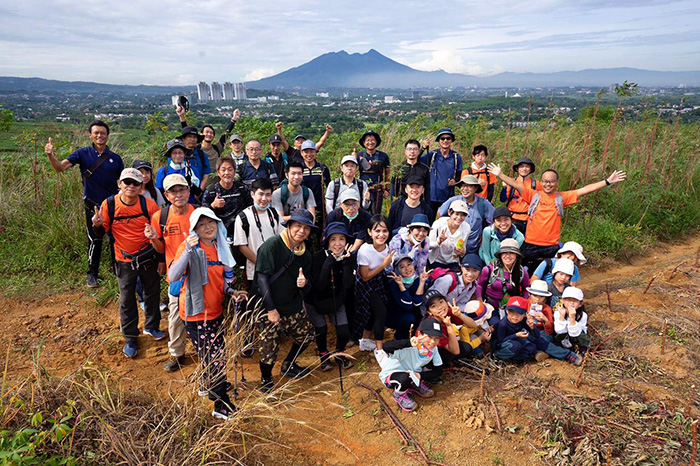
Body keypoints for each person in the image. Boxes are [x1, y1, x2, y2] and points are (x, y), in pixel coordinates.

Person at [168, 207, 244, 420]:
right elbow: (173, 275)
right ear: (195, 229)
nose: (207, 227)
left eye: (210, 222)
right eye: (201, 225)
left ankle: (207, 383)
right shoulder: (190, 246)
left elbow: (222, 282)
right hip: (195, 314)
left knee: (210, 354)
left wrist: (233, 292)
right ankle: (220, 404)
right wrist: (189, 251)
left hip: (215, 311)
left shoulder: (221, 247)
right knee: (216, 357)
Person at [489, 163, 626, 271]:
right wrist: (500, 174)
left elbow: (585, 190)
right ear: (541, 182)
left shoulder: (561, 198)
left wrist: (607, 181)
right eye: (545, 181)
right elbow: (515, 184)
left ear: (557, 183)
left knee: (552, 273)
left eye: (551, 181)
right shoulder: (533, 195)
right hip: (531, 244)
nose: (548, 184)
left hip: (551, 246)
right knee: (523, 271)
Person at [44, 120, 124, 287]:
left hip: (112, 204)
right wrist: (51, 156)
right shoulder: (82, 154)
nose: (99, 135)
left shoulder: (116, 159)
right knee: (95, 239)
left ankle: (117, 270)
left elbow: (121, 184)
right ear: (90, 135)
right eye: (96, 133)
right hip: (91, 203)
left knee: (115, 238)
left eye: (103, 133)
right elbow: (60, 168)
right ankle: (92, 274)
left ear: (107, 136)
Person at [92, 168, 162, 358]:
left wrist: (160, 257)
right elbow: (101, 233)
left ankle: (152, 327)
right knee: (127, 299)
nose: (131, 186)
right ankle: (131, 336)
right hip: (124, 259)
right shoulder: (110, 205)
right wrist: (97, 225)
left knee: (152, 293)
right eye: (127, 182)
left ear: (141, 186)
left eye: (135, 183)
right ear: (119, 184)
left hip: (148, 257)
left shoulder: (148, 205)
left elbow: (158, 235)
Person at [254, 209, 315, 393]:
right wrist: (271, 309)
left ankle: (289, 364)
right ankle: (266, 379)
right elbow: (262, 279)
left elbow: (308, 285)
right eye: (297, 226)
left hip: (292, 304)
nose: (301, 231)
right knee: (268, 349)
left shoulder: (305, 254)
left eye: (306, 228)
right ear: (289, 226)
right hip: (268, 305)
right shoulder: (272, 246)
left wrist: (304, 284)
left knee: (306, 335)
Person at [149, 174, 195, 372]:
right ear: (166, 195)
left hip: (199, 274)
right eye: (173, 191)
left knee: (201, 314)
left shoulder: (197, 212)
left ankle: (204, 349)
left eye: (182, 190)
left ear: (188, 191)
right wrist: (152, 238)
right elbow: (160, 249)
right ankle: (177, 354)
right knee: (176, 317)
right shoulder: (161, 217)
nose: (179, 194)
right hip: (176, 276)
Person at [305, 222, 356, 371]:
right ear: (327, 240)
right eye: (333, 239)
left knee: (343, 331)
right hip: (315, 300)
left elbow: (348, 284)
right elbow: (318, 286)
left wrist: (346, 264)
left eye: (342, 239)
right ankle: (323, 354)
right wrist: (328, 263)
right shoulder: (318, 257)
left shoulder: (349, 258)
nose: (338, 244)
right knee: (321, 329)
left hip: (336, 299)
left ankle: (340, 353)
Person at [375, 318, 443, 412]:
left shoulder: (433, 349)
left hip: (413, 374)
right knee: (404, 378)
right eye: (430, 337)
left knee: (414, 374)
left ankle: (413, 385)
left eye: (436, 338)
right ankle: (399, 395)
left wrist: (420, 376)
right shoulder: (410, 344)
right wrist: (408, 343)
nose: (432, 342)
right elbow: (386, 347)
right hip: (393, 375)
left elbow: (438, 370)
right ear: (420, 334)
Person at [353, 215, 394, 352]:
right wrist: (384, 265)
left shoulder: (387, 247)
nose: (381, 235)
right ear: (370, 232)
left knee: (373, 312)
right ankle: (379, 350)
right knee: (381, 312)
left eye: (385, 231)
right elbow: (365, 277)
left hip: (378, 280)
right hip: (366, 285)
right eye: (377, 231)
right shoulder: (365, 250)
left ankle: (365, 341)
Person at [233, 178, 281, 288]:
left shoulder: (275, 213)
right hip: (254, 271)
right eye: (261, 194)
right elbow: (242, 246)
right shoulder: (243, 217)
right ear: (252, 194)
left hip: (276, 269)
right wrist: (261, 264)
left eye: (268, 195)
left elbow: (283, 238)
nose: (264, 199)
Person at [420, 290, 477, 382]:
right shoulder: (432, 325)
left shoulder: (447, 313)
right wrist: (449, 326)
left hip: (440, 346)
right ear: (429, 312)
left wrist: (459, 315)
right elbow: (455, 351)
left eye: (441, 302)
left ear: (446, 302)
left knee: (467, 348)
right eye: (433, 306)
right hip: (425, 355)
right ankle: (430, 369)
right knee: (450, 353)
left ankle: (443, 364)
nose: (439, 307)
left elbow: (473, 325)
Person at [177, 106, 240, 187]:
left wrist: (234, 119)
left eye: (211, 133)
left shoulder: (217, 148)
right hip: (201, 185)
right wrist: (181, 117)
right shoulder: (197, 149)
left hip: (217, 185)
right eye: (206, 132)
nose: (209, 134)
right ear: (201, 134)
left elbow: (226, 134)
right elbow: (187, 133)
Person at [525, 280, 583, 365]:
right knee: (524, 338)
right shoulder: (524, 304)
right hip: (526, 331)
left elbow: (549, 331)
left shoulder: (546, 308)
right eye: (535, 295)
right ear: (529, 295)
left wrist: (545, 319)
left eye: (541, 296)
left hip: (541, 333)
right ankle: (540, 352)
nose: (537, 299)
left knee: (544, 339)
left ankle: (540, 352)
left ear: (545, 298)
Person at [476, 239, 530, 327]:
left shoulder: (521, 272)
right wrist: (480, 302)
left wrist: (524, 307)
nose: (508, 256)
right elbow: (480, 286)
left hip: (512, 308)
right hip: (491, 307)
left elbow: (525, 290)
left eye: (511, 253)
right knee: (498, 326)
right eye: (505, 253)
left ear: (517, 255)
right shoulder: (490, 270)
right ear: (500, 254)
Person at [438, 174, 495, 254]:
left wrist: (486, 235)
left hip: (473, 249)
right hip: (452, 250)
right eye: (463, 186)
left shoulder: (483, 204)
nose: (465, 189)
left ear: (475, 188)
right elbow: (439, 214)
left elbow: (495, 221)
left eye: (469, 186)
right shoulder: (453, 201)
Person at [202, 156, 252, 237]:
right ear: (218, 172)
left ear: (234, 171)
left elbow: (251, 207)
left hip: (242, 231)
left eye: (230, 169)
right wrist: (213, 206)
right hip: (220, 234)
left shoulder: (242, 188)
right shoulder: (211, 191)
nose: (227, 173)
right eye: (223, 170)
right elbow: (203, 214)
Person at [419, 128, 463, 217]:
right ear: (439, 141)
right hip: (431, 196)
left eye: (448, 138)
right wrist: (423, 148)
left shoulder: (456, 157)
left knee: (446, 224)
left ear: (451, 141)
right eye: (442, 138)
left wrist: (455, 181)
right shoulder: (432, 154)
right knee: (429, 223)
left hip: (448, 197)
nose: (445, 140)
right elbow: (417, 160)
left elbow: (459, 175)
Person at [387, 254, 430, 340]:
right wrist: (401, 285)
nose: (407, 269)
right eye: (402, 267)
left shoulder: (418, 279)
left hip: (414, 313)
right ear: (397, 270)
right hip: (396, 314)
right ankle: (399, 338)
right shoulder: (393, 283)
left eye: (409, 264)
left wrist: (422, 283)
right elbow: (407, 305)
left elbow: (417, 303)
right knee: (409, 319)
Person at [492, 297, 539, 363]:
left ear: (525, 314)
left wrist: (532, 327)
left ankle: (513, 358)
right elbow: (501, 340)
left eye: (519, 313)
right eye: (512, 312)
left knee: (531, 348)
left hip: (513, 340)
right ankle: (497, 356)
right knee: (516, 346)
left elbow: (537, 336)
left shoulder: (524, 321)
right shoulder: (503, 324)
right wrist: (516, 335)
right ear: (507, 311)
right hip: (500, 343)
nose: (515, 316)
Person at [499, 157, 540, 233]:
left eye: (527, 166)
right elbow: (503, 199)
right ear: (517, 169)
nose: (524, 169)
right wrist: (504, 188)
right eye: (521, 166)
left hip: (529, 219)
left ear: (530, 169)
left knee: (527, 243)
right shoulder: (511, 182)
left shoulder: (536, 184)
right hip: (513, 218)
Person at [299, 140, 331, 235]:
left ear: (315, 152)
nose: (309, 154)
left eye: (311, 151)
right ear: (301, 153)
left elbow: (329, 186)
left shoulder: (322, 168)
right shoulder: (299, 168)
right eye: (306, 151)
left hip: (319, 204)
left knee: (320, 231)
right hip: (302, 204)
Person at [155, 139, 202, 203]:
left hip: (190, 206)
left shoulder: (192, 171)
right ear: (170, 155)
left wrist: (191, 185)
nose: (177, 156)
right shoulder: (163, 172)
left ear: (184, 154)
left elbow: (198, 192)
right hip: (171, 208)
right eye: (174, 153)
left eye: (180, 153)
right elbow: (160, 192)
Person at [428, 200, 470, 269]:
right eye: (456, 214)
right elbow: (428, 246)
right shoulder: (438, 224)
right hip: (436, 260)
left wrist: (461, 252)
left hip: (453, 260)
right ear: (449, 213)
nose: (459, 217)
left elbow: (463, 250)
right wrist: (438, 242)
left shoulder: (466, 228)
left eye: (463, 215)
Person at [357, 130, 391, 215]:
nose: (370, 142)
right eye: (367, 140)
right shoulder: (359, 156)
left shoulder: (383, 156)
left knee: (375, 214)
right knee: (362, 213)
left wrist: (387, 189)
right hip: (363, 189)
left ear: (376, 142)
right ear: (364, 143)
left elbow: (387, 173)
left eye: (372, 140)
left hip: (377, 190)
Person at [553, 287, 589, 353]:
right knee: (556, 337)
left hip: (576, 337)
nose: (571, 303)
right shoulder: (558, 312)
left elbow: (575, 334)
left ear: (580, 304)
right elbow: (559, 331)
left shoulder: (583, 316)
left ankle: (582, 351)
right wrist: (562, 316)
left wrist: (572, 319)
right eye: (568, 300)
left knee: (581, 336)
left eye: (575, 301)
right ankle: (561, 350)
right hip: (563, 337)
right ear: (563, 301)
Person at [177, 126, 212, 190]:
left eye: (194, 137)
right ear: (183, 139)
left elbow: (206, 175)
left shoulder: (202, 155)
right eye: (189, 136)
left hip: (199, 192)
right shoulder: (176, 155)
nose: (192, 139)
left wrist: (199, 191)